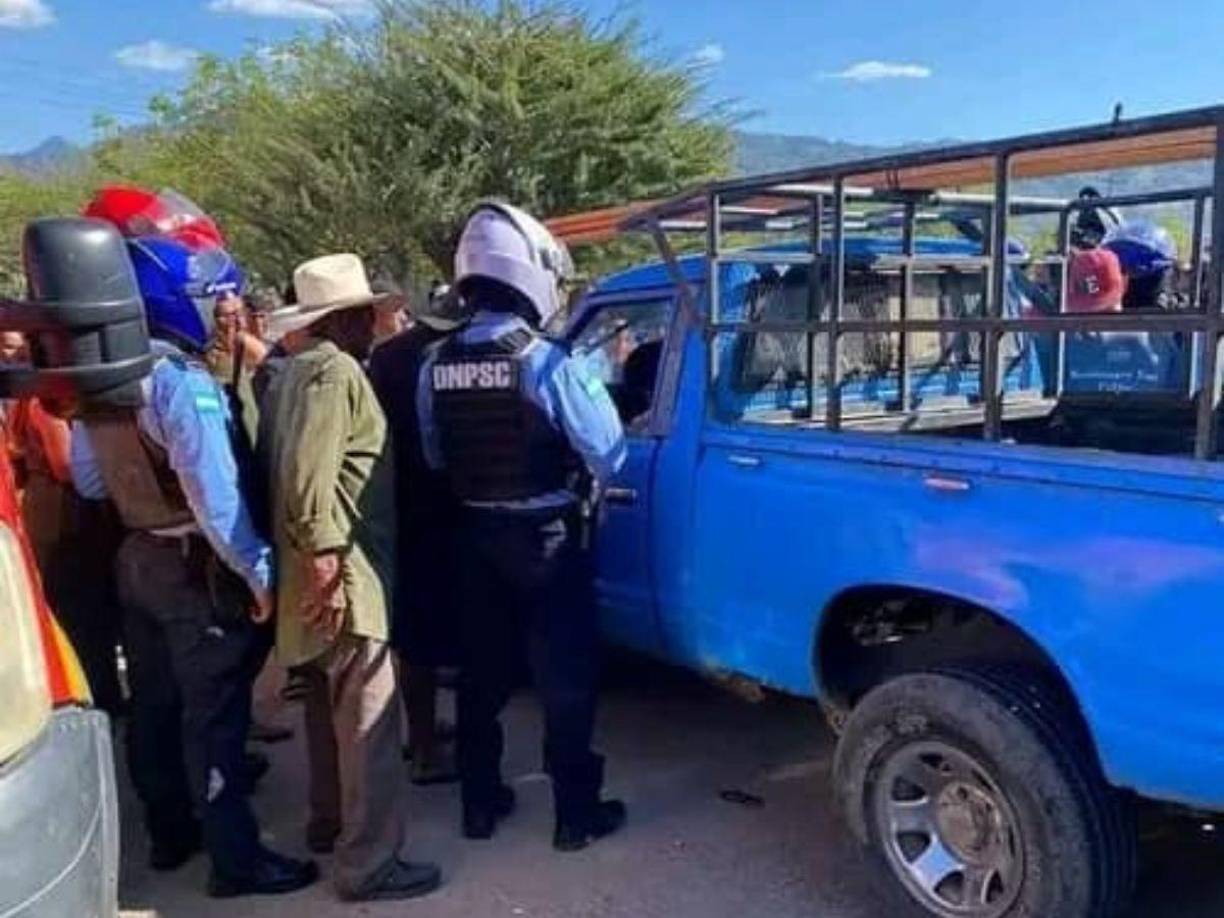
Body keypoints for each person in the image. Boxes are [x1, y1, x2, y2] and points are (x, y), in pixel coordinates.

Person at [66, 229, 317, 897]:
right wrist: (258, 572)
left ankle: (170, 833)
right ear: (173, 302)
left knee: (153, 706)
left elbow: (89, 481)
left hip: (137, 557)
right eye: (209, 297)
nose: (217, 308)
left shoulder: (102, 381)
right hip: (192, 566)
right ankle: (236, 862)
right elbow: (216, 497)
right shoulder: (179, 381)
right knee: (215, 717)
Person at [417, 201, 627, 850]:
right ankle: (574, 816)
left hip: (474, 542)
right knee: (564, 681)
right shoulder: (547, 362)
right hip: (548, 541)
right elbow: (609, 450)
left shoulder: (435, 362)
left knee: (480, 680)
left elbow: (433, 454)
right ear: (529, 274)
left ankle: (480, 805)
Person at [259, 253, 442, 902]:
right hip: (346, 574)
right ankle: (369, 865)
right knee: (368, 722)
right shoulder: (333, 374)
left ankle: (329, 822)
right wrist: (328, 559)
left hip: (312, 570)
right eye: (365, 311)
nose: (374, 321)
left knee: (326, 712)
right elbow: (311, 477)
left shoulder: (289, 373)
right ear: (345, 318)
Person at [368, 290, 462, 786]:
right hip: (439, 508)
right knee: (444, 635)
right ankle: (428, 750)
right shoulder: (453, 355)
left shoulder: (387, 355)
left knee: (414, 638)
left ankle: (421, 734)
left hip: (395, 507)